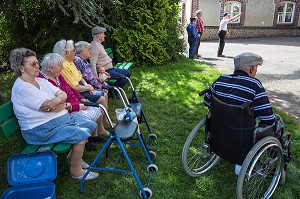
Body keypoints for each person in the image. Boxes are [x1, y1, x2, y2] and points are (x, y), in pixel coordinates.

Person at [9, 48, 99, 180]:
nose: (38, 66)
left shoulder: (39, 80)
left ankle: (72, 159)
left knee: (90, 125)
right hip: (40, 129)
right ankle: (76, 171)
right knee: (81, 134)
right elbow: (49, 106)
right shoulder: (23, 88)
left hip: (58, 120)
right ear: (22, 68)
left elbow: (61, 94)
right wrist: (58, 103)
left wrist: (57, 102)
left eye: (37, 63)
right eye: (33, 64)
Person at [203, 52, 281, 175]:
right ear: (251, 69)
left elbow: (207, 101)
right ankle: (269, 158)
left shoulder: (221, 80)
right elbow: (268, 118)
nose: (256, 72)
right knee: (276, 121)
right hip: (242, 140)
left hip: (219, 132)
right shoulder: (254, 85)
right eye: (256, 69)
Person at [39, 53, 109, 151]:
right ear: (51, 68)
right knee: (89, 115)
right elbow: (60, 104)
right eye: (60, 66)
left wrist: (81, 98)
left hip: (75, 103)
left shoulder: (57, 75)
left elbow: (70, 88)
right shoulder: (44, 81)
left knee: (96, 108)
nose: (62, 68)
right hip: (67, 110)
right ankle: (85, 140)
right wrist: (78, 106)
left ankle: (93, 135)